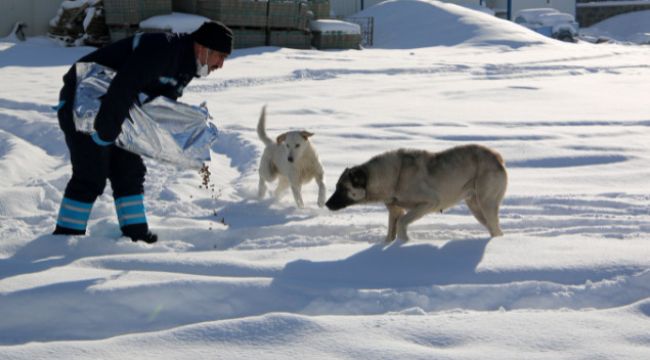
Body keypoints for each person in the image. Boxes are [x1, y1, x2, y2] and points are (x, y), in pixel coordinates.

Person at [52, 21, 233, 243]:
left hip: (117, 110)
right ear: (204, 48)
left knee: (129, 171)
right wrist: (106, 132)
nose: (221, 65)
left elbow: (155, 111)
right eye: (221, 56)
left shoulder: (184, 68)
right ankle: (63, 240)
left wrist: (181, 144)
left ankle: (135, 236)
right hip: (83, 101)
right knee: (91, 173)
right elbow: (124, 85)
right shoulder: (162, 49)